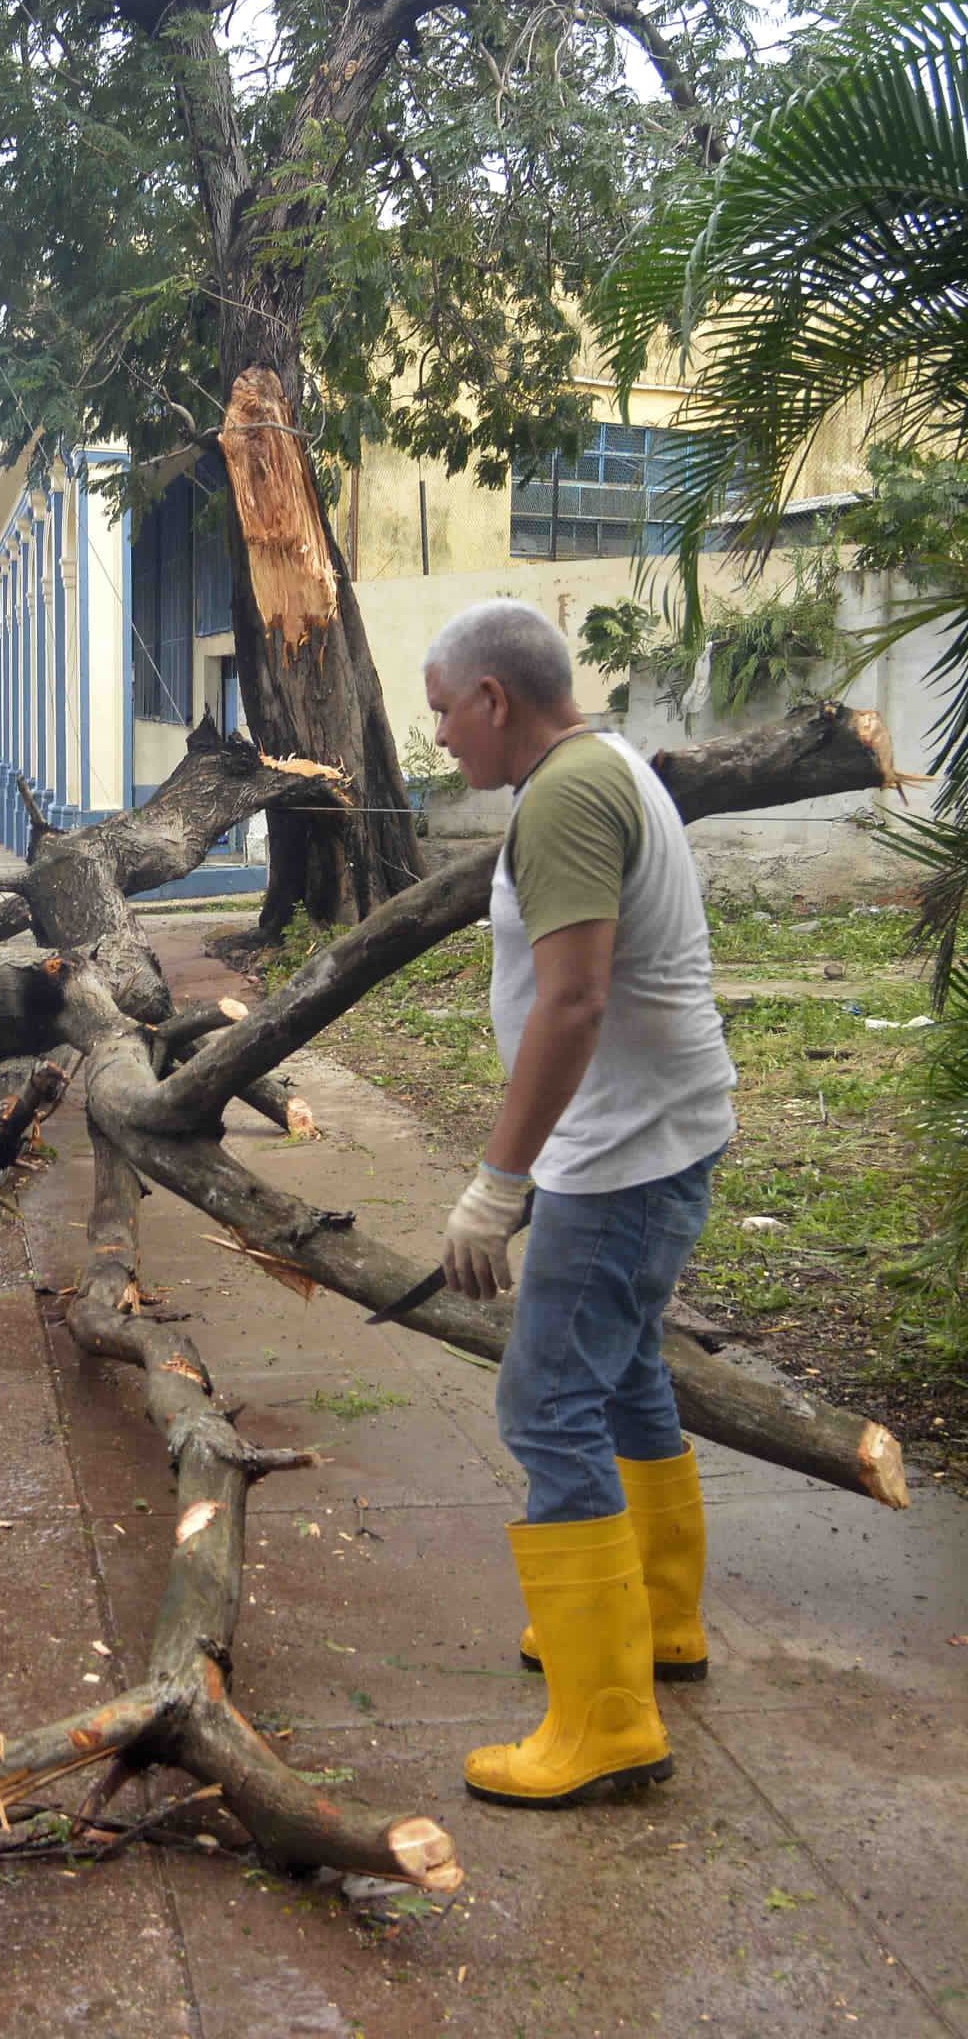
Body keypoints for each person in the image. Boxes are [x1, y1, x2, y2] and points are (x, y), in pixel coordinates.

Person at [423, 599, 735, 1811]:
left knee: (546, 1400)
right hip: (657, 1133)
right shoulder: (607, 766)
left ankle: (604, 1723)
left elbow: (570, 1002)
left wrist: (496, 1189)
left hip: (618, 1156)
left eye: (445, 708)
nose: (441, 733)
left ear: (494, 699)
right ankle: (652, 1625)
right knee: (621, 1376)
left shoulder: (559, 795)